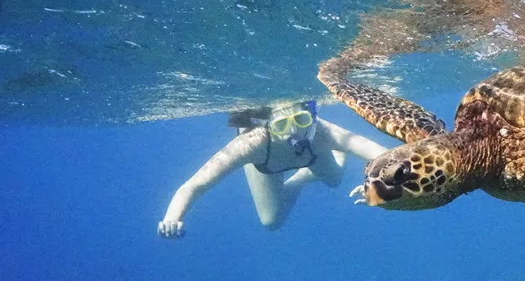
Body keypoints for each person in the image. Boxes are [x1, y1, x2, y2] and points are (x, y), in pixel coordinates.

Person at [157, 100, 388, 238]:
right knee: (271, 221)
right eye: (280, 126)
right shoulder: (251, 144)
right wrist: (172, 218)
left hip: (313, 154)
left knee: (335, 179)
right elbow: (194, 186)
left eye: (301, 121)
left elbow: (384, 156)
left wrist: (376, 181)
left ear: (311, 117)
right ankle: (303, 176)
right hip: (268, 164)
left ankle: (327, 158)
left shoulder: (322, 132)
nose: (293, 133)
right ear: (267, 127)